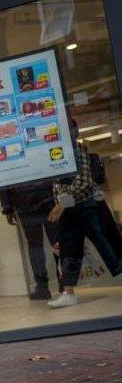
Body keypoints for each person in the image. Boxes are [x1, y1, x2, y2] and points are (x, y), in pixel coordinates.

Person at [48, 124, 122, 309]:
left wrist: (61, 204)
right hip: (70, 209)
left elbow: (84, 181)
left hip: (86, 206)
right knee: (69, 250)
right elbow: (59, 185)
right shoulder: (56, 151)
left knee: (107, 244)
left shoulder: (74, 149)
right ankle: (69, 293)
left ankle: (69, 292)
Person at [0, 181, 59, 300]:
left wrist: (7, 208)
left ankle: (42, 287)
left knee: (35, 245)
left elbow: (3, 179)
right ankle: (65, 283)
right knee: (57, 241)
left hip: (23, 202)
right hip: (49, 197)